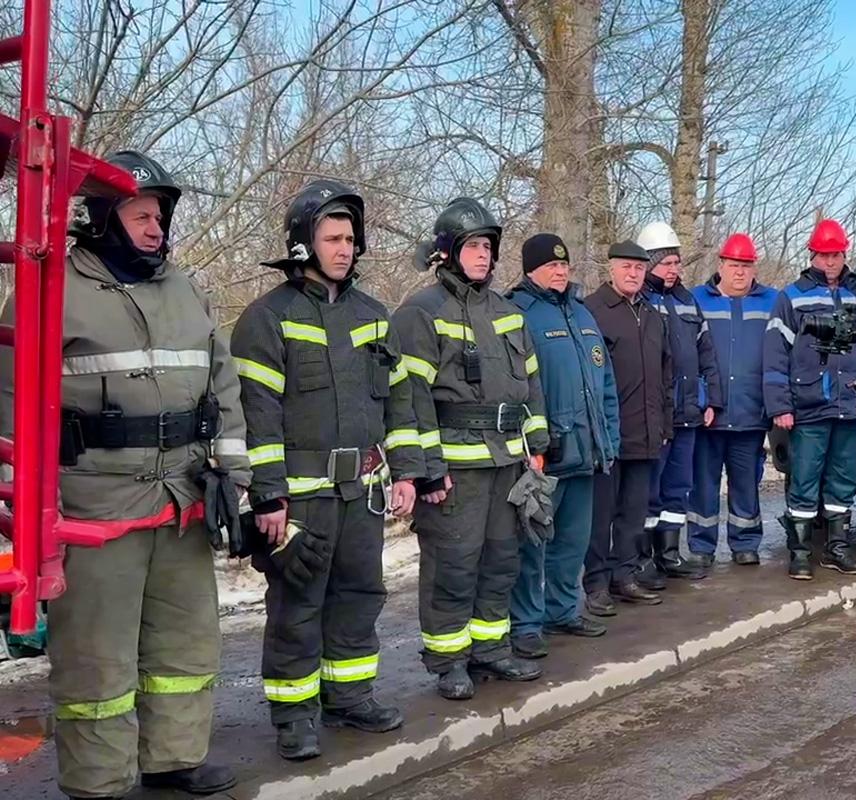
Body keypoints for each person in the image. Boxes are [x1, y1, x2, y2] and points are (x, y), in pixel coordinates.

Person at [0, 151, 250, 798]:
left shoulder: (184, 288)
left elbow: (222, 383)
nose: (155, 227)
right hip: (93, 509)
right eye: (141, 214)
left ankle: (174, 758)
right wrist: (31, 510)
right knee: (96, 663)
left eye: (160, 215)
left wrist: (232, 470)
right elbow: (9, 403)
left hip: (184, 503)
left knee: (184, 647)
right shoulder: (52, 288)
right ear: (102, 217)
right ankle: (100, 782)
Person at [231, 179, 421, 759]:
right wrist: (267, 499)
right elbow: (255, 417)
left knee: (360, 595)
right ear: (302, 244)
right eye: (333, 238)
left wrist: (408, 471)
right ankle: (294, 715)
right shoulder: (267, 319)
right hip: (300, 498)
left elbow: (401, 403)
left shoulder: (374, 315)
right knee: (297, 605)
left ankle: (350, 696)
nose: (345, 248)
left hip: (362, 492)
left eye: (350, 239)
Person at [394, 197, 549, 701]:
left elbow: (532, 383)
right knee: (453, 565)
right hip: (455, 468)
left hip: (507, 461)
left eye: (488, 246)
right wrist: (425, 471)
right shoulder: (420, 312)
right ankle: (449, 661)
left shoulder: (507, 311)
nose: (483, 255)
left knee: (502, 560)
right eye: (473, 246)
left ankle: (490, 648)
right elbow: (409, 399)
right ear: (447, 251)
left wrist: (538, 445)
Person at [506, 233, 620, 658]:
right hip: (544, 453)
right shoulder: (518, 311)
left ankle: (563, 610)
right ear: (530, 269)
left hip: (586, 450)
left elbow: (604, 383)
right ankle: (527, 623)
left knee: (572, 542)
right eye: (551, 265)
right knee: (532, 545)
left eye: (564, 264)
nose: (560, 271)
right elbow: (517, 386)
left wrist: (609, 438)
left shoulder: (581, 313)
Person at [763, 218, 856, 578]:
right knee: (804, 477)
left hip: (851, 406)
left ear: (844, 253)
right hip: (808, 405)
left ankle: (838, 547)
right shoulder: (793, 297)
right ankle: (800, 553)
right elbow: (775, 355)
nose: (830, 261)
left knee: (843, 478)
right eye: (823, 255)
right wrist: (781, 405)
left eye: (835, 254)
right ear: (812, 255)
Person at [582, 241, 673, 613]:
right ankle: (597, 584)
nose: (633, 274)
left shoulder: (653, 317)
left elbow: (666, 374)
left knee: (634, 513)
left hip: (646, 432)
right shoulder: (591, 312)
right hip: (607, 435)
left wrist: (665, 422)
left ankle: (625, 576)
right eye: (626, 267)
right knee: (600, 515)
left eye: (639, 268)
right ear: (611, 270)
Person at [638, 221, 720, 582]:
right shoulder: (640, 301)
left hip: (688, 412)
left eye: (676, 263)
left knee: (677, 488)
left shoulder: (687, 302)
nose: (673, 270)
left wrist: (711, 399)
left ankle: (669, 553)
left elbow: (707, 354)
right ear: (649, 264)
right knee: (649, 491)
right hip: (657, 416)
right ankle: (642, 559)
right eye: (666, 263)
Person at [689, 233, 777, 567]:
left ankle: (745, 543)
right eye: (733, 265)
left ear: (754, 268)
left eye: (746, 266)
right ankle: (701, 546)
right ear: (720, 265)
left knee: (746, 483)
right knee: (703, 485)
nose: (739, 272)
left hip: (751, 412)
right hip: (709, 413)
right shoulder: (697, 300)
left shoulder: (771, 301)